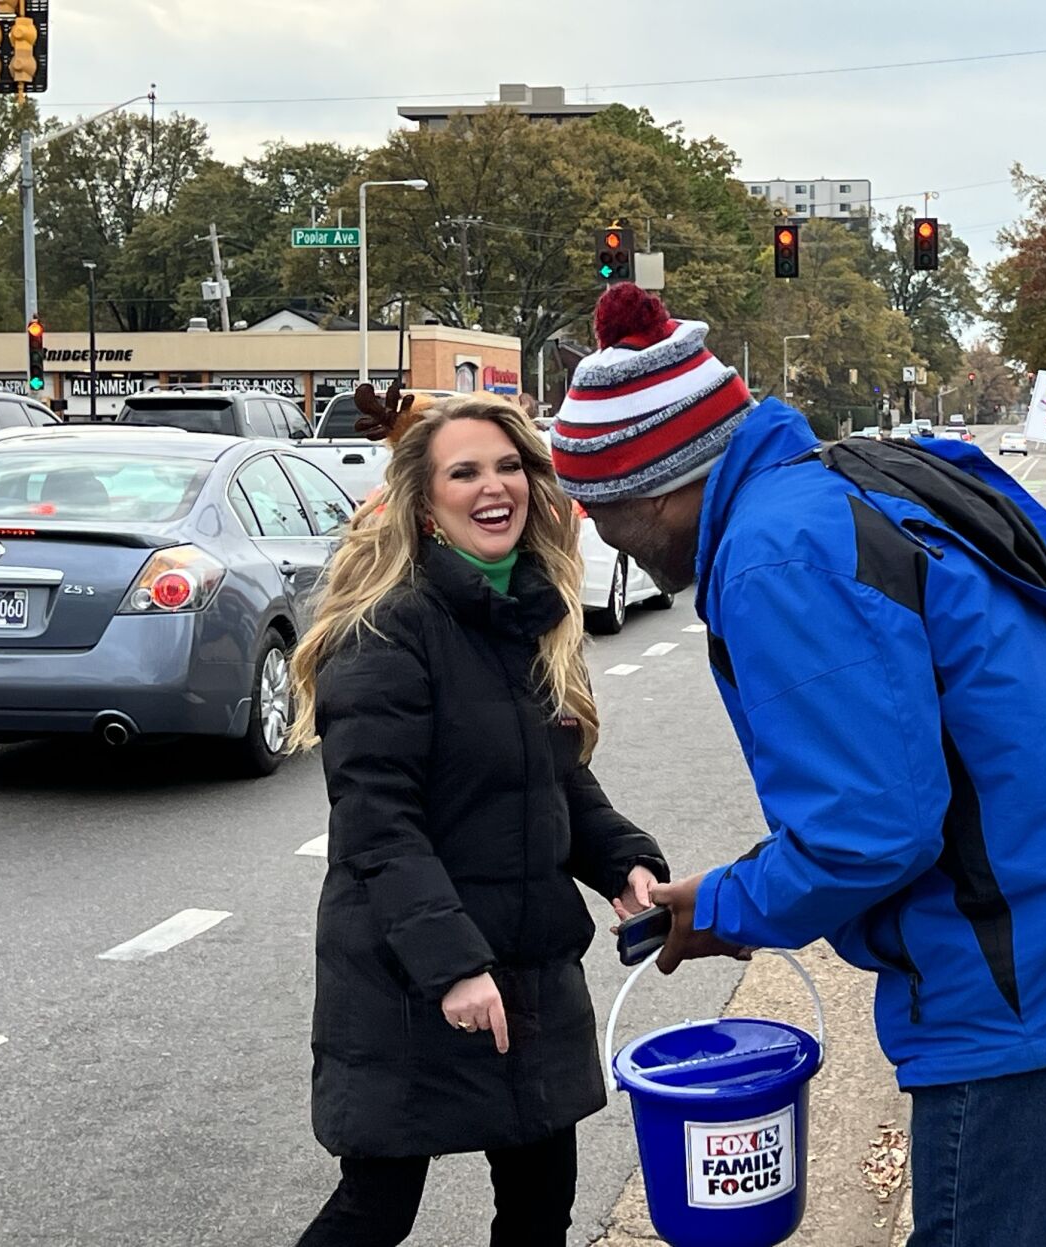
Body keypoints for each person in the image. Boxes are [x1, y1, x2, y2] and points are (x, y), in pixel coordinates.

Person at [550, 284, 1046, 1247]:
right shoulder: (870, 477)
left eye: (603, 511)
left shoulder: (777, 554)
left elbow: (870, 831)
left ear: (661, 485)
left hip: (1032, 963)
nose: (603, 538)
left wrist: (720, 907)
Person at [287, 393, 669, 1247]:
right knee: (375, 1209)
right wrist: (455, 965)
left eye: (508, 467)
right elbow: (378, 825)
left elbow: (553, 780)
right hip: (411, 977)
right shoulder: (386, 631)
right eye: (465, 472)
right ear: (426, 503)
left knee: (540, 1206)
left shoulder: (526, 613)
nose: (493, 487)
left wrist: (623, 863)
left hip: (528, 970)